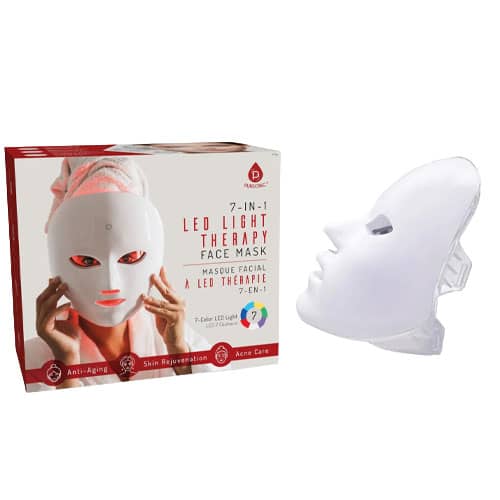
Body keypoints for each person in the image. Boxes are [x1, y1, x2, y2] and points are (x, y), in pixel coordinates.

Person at [25, 156, 218, 391]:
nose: (110, 282)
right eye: (86, 260)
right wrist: (66, 366)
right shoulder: (32, 359)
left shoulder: (179, 338)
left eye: (130, 257)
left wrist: (178, 352)